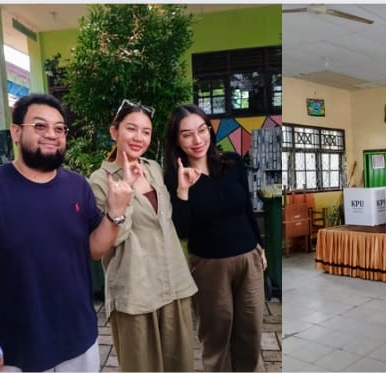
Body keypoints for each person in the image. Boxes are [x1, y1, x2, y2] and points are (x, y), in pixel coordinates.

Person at [0, 93, 132, 372]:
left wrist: (114, 214)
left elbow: (94, 250)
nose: (52, 134)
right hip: (15, 347)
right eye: (39, 126)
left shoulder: (78, 186)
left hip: (79, 337)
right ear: (15, 132)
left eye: (59, 128)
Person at [88, 99, 198, 372]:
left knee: (180, 365)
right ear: (114, 131)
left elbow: (165, 222)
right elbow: (111, 239)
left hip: (173, 284)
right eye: (131, 129)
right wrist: (124, 188)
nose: (139, 138)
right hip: (135, 291)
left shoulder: (153, 169)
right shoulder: (100, 180)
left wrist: (182, 192)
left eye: (146, 132)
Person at [164, 104, 267, 372]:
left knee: (250, 332)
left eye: (202, 130)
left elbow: (247, 209)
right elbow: (182, 230)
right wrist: (183, 191)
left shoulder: (232, 163)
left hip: (248, 258)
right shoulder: (173, 178)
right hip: (209, 265)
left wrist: (260, 246)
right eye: (187, 134)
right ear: (176, 139)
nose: (197, 140)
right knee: (216, 335)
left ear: (210, 130)